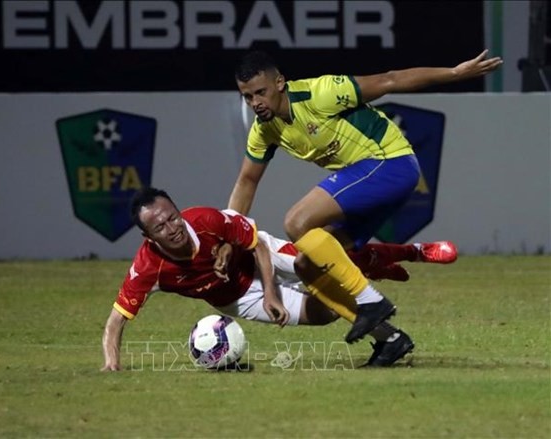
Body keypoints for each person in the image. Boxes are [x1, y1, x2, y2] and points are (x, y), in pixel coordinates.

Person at [228, 50, 502, 344]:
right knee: (306, 265)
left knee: (297, 222)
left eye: (261, 92)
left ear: (280, 82)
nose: (256, 103)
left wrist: (455, 73)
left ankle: (371, 300)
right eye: (247, 97)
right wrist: (227, 235)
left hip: (390, 162)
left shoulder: (319, 94)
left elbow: (390, 80)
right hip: (373, 180)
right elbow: (247, 181)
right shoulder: (264, 131)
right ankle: (389, 340)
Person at [101, 187, 418, 372]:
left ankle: (399, 254)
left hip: (259, 256)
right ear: (147, 236)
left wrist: (271, 293)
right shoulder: (148, 269)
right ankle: (391, 340)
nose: (173, 228)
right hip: (236, 298)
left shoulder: (207, 219)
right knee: (327, 313)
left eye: (173, 217)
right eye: (160, 227)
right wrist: (111, 364)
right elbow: (116, 321)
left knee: (316, 263)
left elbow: (258, 246)